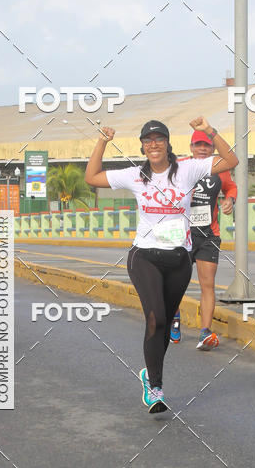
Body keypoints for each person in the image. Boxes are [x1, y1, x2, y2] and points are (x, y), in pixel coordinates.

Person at [85, 116, 238, 413]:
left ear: (168, 145)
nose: (154, 144)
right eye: (148, 140)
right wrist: (102, 141)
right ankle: (155, 386)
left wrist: (209, 131)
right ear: (143, 147)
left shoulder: (188, 169)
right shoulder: (135, 175)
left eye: (159, 139)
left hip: (179, 258)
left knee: (166, 325)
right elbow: (92, 177)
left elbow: (231, 159)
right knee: (154, 318)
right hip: (144, 255)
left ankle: (150, 374)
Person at [170, 129, 237, 349]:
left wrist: (230, 200)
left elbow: (231, 188)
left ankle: (205, 332)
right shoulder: (179, 166)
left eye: (206, 145)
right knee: (176, 283)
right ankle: (175, 320)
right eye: (198, 145)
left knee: (208, 285)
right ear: (191, 148)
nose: (202, 149)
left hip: (209, 234)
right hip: (182, 233)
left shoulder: (219, 167)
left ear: (213, 148)